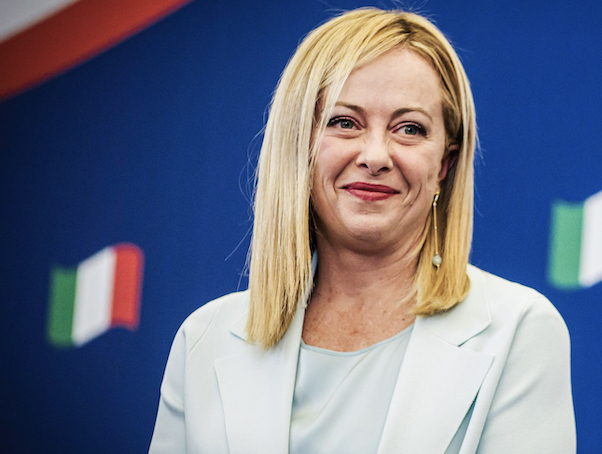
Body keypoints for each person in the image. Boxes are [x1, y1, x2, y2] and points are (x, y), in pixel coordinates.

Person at [148, 7, 575, 454]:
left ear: (444, 165)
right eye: (344, 122)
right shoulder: (203, 340)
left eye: (409, 129)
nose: (375, 156)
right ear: (299, 146)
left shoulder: (520, 330)